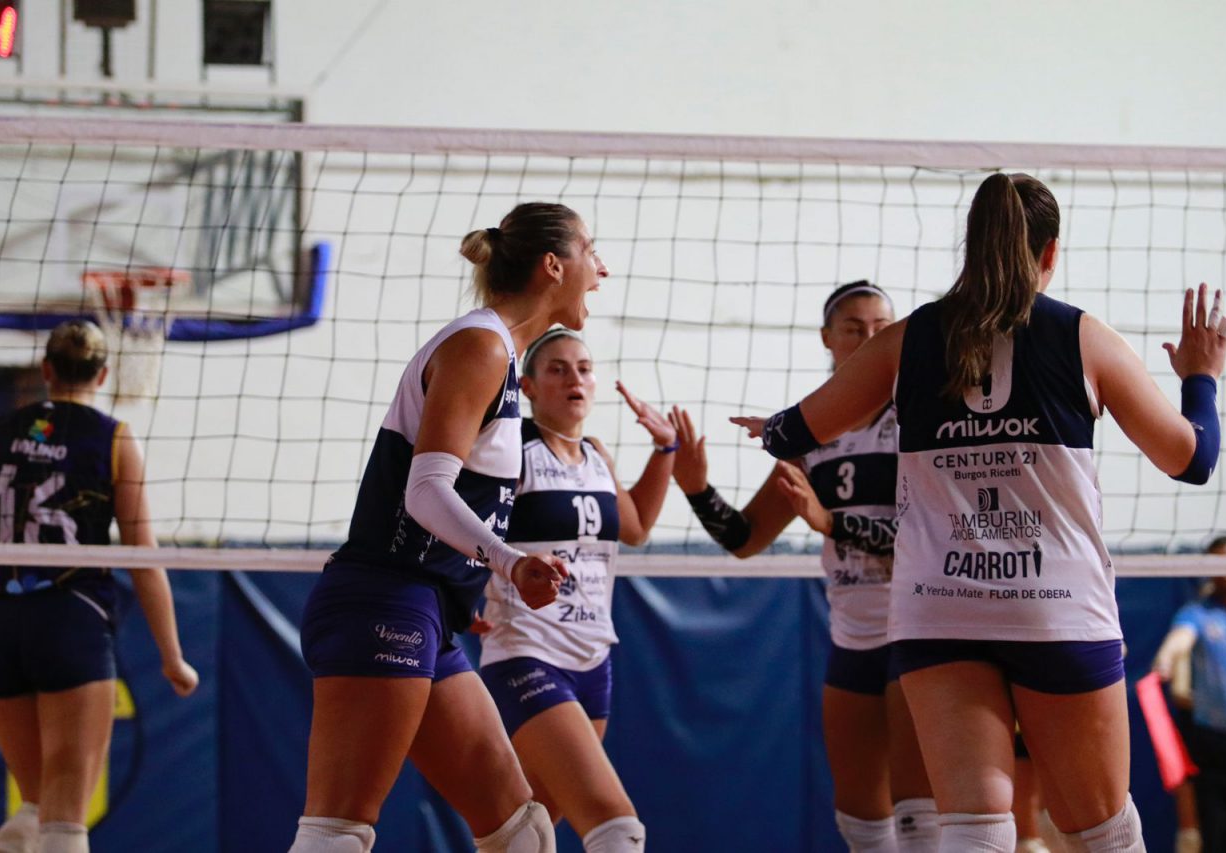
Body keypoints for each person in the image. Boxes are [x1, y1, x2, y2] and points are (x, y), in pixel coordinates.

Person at [732, 171, 1226, 852]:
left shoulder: (905, 340)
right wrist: (1201, 379)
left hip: (940, 607)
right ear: (1050, 252)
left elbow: (792, 433)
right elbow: (1193, 459)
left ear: (970, 246)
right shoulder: (1084, 337)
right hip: (1054, 605)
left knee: (974, 830)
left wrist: (770, 429)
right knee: (1103, 832)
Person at [290, 202, 609, 853]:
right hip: (384, 600)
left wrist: (471, 582)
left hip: (427, 610)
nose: (601, 270)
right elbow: (425, 491)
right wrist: (507, 562)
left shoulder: (500, 355)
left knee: (521, 833)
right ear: (553, 266)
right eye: (590, 252)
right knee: (337, 833)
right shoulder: (480, 345)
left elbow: (456, 503)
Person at [668, 281, 936, 852]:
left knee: (921, 820)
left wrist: (832, 523)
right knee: (860, 823)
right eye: (854, 328)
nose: (869, 338)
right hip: (853, 634)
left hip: (919, 627)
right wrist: (696, 490)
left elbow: (928, 538)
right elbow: (745, 539)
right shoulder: (812, 433)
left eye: (881, 328)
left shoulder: (921, 420)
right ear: (826, 339)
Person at [0, 320, 199, 853]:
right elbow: (143, 556)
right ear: (103, 375)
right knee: (64, 817)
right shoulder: (115, 438)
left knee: (36, 803)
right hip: (69, 619)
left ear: (46, 369)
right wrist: (173, 657)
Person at [474, 327, 674, 852]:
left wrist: (665, 449)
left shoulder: (596, 455)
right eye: (558, 369)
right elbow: (460, 525)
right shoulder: (510, 450)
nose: (574, 380)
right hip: (526, 650)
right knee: (615, 825)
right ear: (529, 387)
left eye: (583, 369)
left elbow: (635, 528)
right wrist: (455, 599)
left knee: (529, 835)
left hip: (593, 657)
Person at [1154, 532, 1226, 853]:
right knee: (1217, 835)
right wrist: (1166, 658)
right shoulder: (1196, 613)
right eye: (1218, 563)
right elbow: (1179, 640)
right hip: (1213, 741)